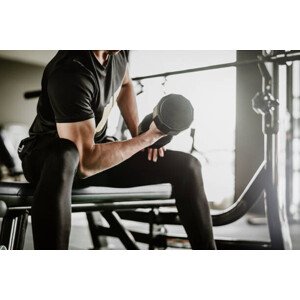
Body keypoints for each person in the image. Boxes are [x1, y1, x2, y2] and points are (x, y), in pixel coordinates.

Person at [18, 50, 216, 250]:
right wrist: (146, 139)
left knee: (188, 166)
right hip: (48, 160)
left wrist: (138, 133)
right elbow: (85, 163)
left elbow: (126, 84)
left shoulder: (117, 54)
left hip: (94, 154)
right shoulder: (71, 71)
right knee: (66, 153)